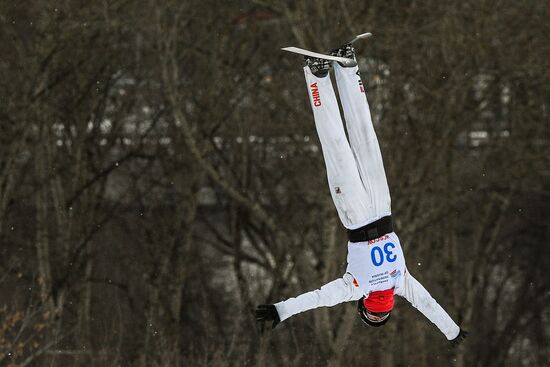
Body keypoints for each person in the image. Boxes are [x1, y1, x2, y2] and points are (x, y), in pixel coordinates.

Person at [255, 44, 468, 345]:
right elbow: (318, 299)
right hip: (355, 214)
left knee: (365, 138)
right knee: (336, 146)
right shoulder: (356, 286)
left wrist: (453, 331)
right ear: (366, 306)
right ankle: (317, 76)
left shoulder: (401, 282)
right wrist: (281, 310)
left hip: (382, 207)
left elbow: (428, 305)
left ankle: (348, 70)